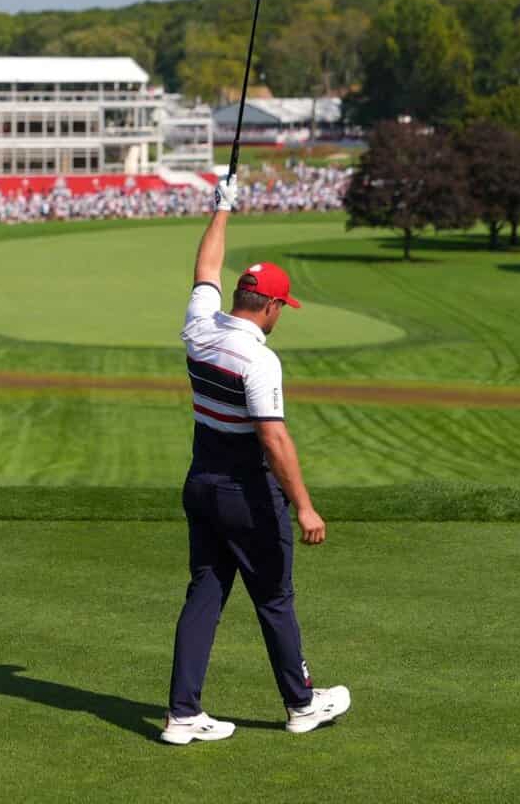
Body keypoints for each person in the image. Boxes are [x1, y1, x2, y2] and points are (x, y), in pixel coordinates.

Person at [162, 181, 349, 747]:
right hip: (246, 491)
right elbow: (273, 437)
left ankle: (182, 714)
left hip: (200, 482)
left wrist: (221, 207)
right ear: (268, 306)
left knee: (205, 592)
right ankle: (300, 704)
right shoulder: (259, 361)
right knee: (273, 596)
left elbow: (205, 267)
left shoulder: (201, 327)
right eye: (280, 308)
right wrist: (306, 506)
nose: (280, 316)